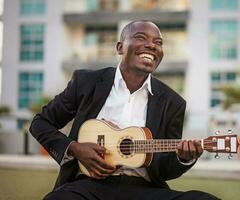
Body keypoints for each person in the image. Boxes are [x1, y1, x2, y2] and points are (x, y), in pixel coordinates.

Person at [30, 20, 219, 200]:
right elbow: (40, 123)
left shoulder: (173, 102)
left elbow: (164, 169)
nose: (152, 45)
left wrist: (183, 158)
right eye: (141, 37)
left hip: (144, 189)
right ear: (120, 47)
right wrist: (75, 149)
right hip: (88, 186)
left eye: (158, 42)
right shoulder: (86, 83)